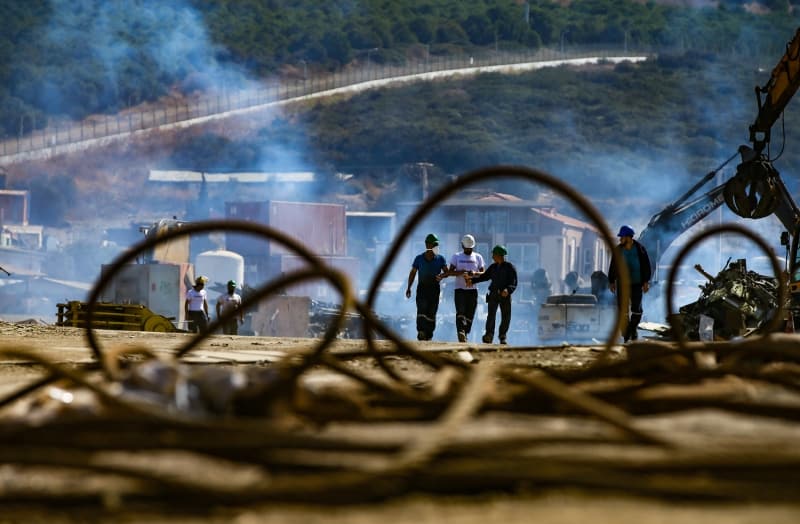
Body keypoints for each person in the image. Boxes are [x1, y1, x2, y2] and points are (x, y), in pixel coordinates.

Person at [608, 224, 652, 342]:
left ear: (628, 237)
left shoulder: (640, 249)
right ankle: (626, 334)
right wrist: (611, 281)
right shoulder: (618, 250)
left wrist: (646, 282)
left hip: (637, 283)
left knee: (637, 310)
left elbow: (646, 266)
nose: (620, 239)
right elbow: (613, 266)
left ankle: (632, 330)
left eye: (622, 237)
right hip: (622, 284)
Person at [466, 245, 518, 345]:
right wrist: (472, 281)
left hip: (505, 295)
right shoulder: (493, 267)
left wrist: (508, 290)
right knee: (491, 316)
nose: (492, 256)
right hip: (493, 294)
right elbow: (484, 276)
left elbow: (514, 282)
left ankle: (502, 336)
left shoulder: (510, 267)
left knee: (505, 317)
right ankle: (489, 336)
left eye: (494, 254)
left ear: (499, 255)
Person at [405, 233, 448, 341]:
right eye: (434, 244)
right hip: (422, 289)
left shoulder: (440, 259)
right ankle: (421, 331)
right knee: (422, 309)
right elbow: (413, 273)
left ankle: (429, 335)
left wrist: (442, 276)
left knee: (431, 312)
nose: (436, 246)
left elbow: (447, 272)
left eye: (437, 244)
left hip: (434, 289)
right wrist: (409, 287)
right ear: (427, 245)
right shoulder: (419, 259)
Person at [443, 234, 485, 342]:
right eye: (466, 248)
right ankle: (460, 331)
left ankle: (465, 332)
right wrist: (461, 272)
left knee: (470, 314)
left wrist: (474, 274)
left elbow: (483, 273)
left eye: (469, 248)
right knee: (460, 312)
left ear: (473, 246)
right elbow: (450, 272)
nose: (468, 250)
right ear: (462, 246)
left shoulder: (478, 257)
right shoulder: (456, 256)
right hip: (460, 290)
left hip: (473, 291)